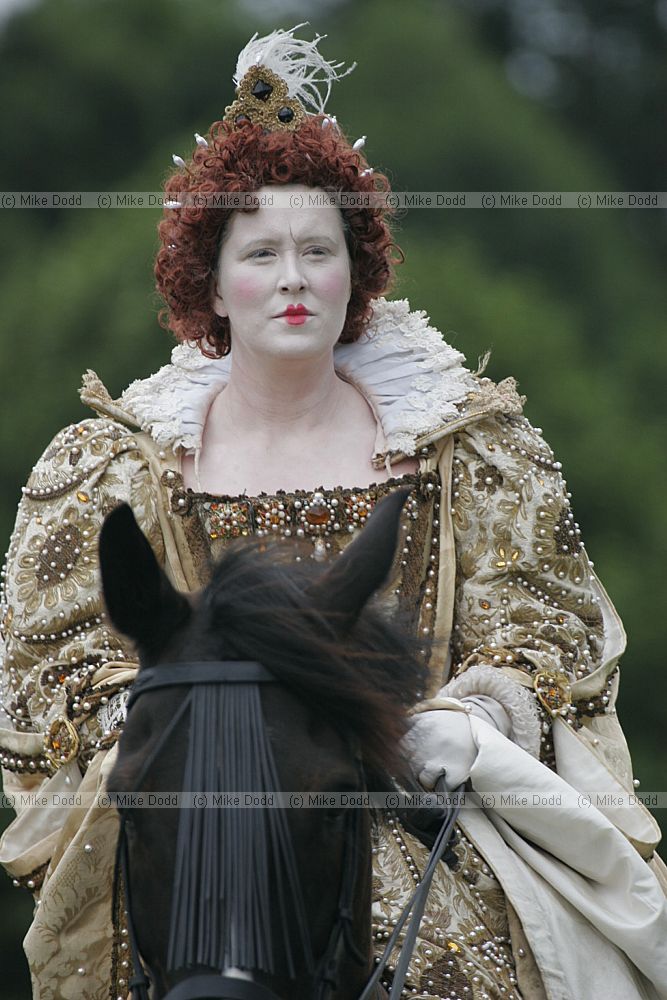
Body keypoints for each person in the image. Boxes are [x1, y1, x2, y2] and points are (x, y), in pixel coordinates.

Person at [1, 25, 665, 1000]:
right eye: (259, 250)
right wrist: (158, 725)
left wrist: (477, 713)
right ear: (211, 278)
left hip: (428, 809)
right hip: (199, 810)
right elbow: (52, 658)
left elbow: (544, 619)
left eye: (319, 248)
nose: (292, 279)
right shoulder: (105, 465)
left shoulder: (468, 446)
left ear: (354, 269)